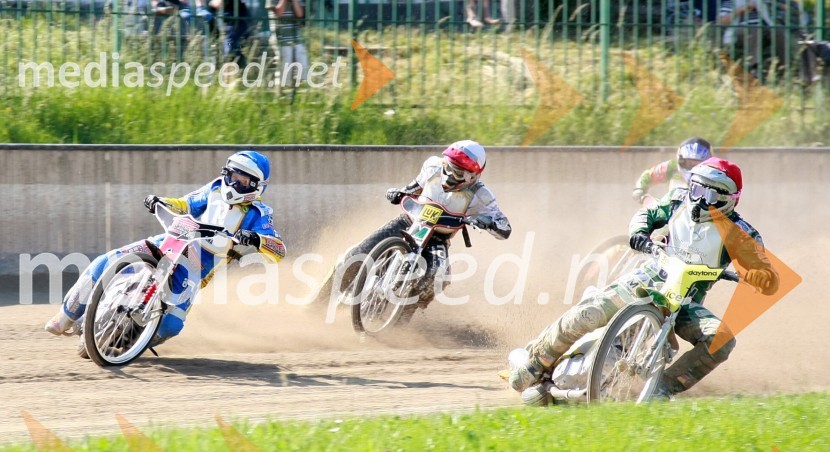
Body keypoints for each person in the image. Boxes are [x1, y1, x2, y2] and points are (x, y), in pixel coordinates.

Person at [508, 158, 779, 405]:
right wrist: (639, 233)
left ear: (731, 200)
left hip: (684, 303)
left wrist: (759, 277)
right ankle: (536, 363)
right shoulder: (676, 200)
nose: (700, 200)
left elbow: (769, 275)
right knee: (589, 311)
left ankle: (662, 389)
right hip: (646, 279)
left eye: (710, 195)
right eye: (696, 190)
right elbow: (646, 215)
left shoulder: (742, 234)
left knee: (721, 340)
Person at [45, 151, 286, 355]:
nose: (234, 184)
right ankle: (65, 316)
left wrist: (256, 238)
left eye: (242, 181)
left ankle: (137, 343)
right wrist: (161, 201)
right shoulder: (214, 188)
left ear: (256, 186)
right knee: (105, 261)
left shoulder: (259, 212)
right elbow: (186, 204)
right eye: (233, 177)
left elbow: (278, 249)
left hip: (197, 266)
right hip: (173, 240)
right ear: (226, 173)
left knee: (171, 324)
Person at [316, 140, 511, 314]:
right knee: (354, 255)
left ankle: (403, 319)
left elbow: (504, 227)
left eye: (457, 172)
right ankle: (317, 301)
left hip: (438, 238)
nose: (448, 174)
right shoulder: (433, 165)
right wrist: (399, 193)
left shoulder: (482, 195)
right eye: (447, 166)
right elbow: (413, 187)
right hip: (410, 221)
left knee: (438, 277)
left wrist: (490, 224)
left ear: (472, 176)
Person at [718, 0, 809, 81]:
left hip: (764, 31)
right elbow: (721, 22)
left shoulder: (762, 2)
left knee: (778, 31)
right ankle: (755, 69)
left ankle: (788, 69)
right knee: (754, 30)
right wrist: (740, 10)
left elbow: (780, 11)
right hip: (739, 33)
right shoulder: (731, 2)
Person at [632, 137, 713, 205]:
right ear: (681, 160)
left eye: (699, 164)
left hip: (705, 213)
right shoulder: (671, 167)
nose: (694, 167)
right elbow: (649, 175)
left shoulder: (716, 172)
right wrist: (640, 189)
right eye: (690, 163)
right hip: (671, 211)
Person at [270, 0, 308, 87]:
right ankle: (283, 92)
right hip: (281, 39)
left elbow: (300, 14)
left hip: (296, 38)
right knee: (285, 71)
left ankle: (299, 91)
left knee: (303, 65)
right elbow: (279, 13)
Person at [210, 0, 254, 67]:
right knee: (229, 47)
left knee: (241, 44)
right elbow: (216, 4)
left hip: (240, 12)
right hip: (226, 12)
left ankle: (239, 70)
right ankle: (228, 70)